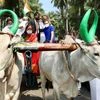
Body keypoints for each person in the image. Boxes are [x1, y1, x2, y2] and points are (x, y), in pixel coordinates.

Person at [23, 20, 40, 88]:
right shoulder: (26, 37)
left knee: (33, 71)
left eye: (30, 29)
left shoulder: (34, 36)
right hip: (26, 55)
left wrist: (28, 43)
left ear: (32, 29)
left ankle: (34, 85)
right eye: (28, 29)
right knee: (27, 71)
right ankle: (28, 84)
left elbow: (35, 43)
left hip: (33, 55)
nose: (29, 30)